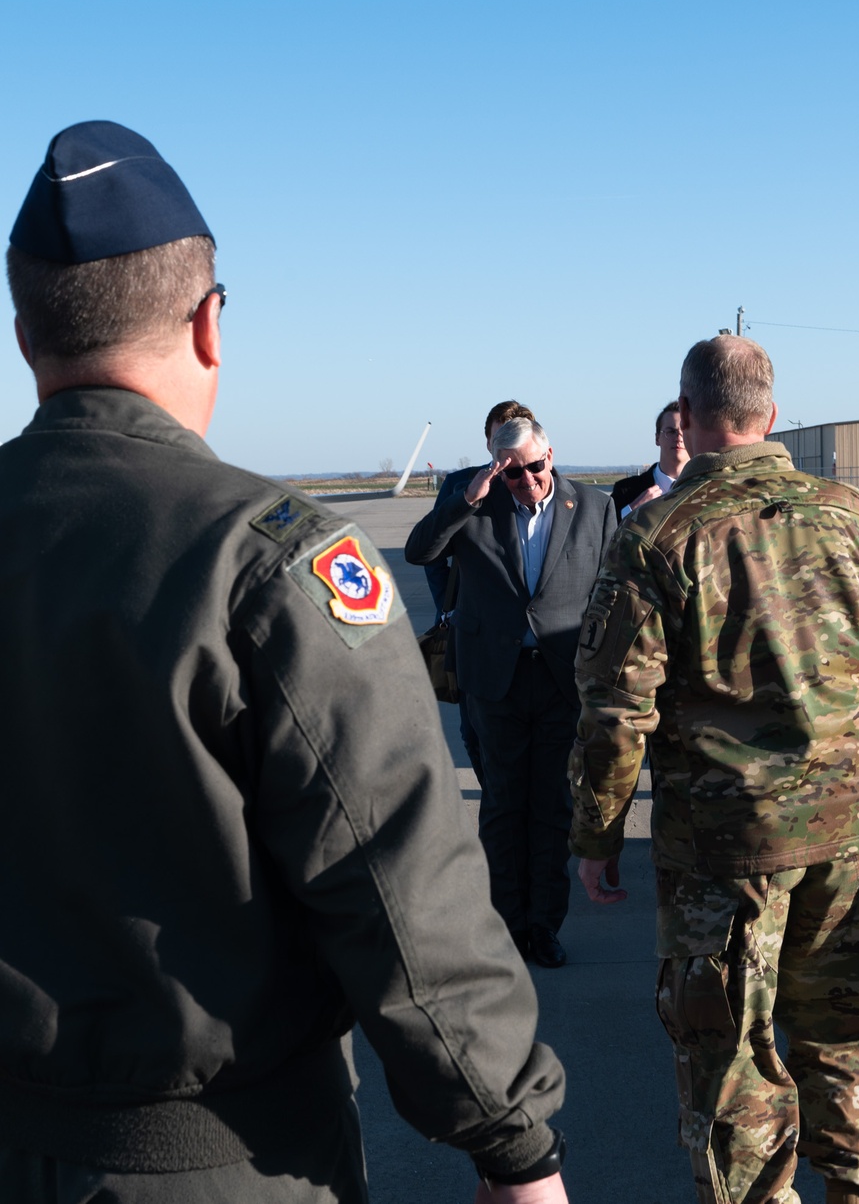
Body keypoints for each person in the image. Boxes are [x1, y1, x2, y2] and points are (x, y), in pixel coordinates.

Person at [0, 120, 569, 1204]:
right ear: (212, 322)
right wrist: (513, 1140)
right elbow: (397, 876)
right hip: (215, 1160)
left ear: (25, 331)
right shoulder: (265, 557)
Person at [569, 335, 859, 1204]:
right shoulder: (853, 513)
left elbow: (615, 711)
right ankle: (855, 1192)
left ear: (686, 416)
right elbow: (856, 630)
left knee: (730, 1050)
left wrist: (596, 835)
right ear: (772, 415)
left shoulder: (658, 535)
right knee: (848, 1027)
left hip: (730, 842)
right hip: (850, 824)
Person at [406, 417, 616, 967]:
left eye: (535, 466)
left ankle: (544, 926)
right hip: (495, 678)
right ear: (498, 467)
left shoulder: (593, 508)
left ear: (551, 451)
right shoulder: (476, 504)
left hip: (560, 677)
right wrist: (466, 501)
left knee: (551, 806)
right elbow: (420, 553)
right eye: (513, 472)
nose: (527, 480)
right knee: (502, 807)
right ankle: (503, 928)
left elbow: (616, 589)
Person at [424, 400, 536, 785]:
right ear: (488, 442)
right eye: (497, 437)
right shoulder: (461, 484)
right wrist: (448, 608)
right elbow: (431, 555)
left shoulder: (539, 482)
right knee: (473, 732)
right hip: (472, 629)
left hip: (532, 641)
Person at [611, 400, 690, 518]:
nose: (679, 438)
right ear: (657, 438)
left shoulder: (707, 487)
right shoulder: (625, 490)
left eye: (684, 431)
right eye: (671, 432)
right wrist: (632, 510)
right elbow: (604, 532)